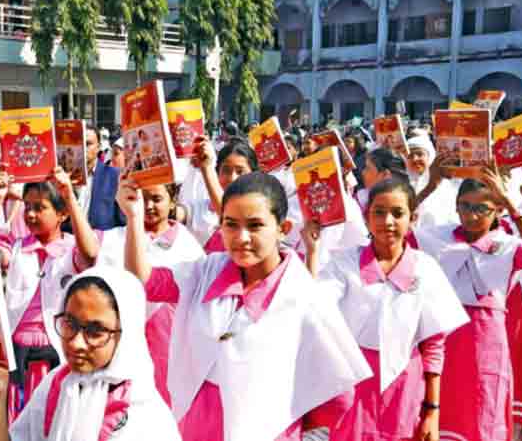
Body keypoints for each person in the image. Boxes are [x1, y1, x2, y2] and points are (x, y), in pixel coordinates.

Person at [121, 171, 372, 440]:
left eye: (254, 226)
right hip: (198, 427)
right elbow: (144, 280)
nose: (241, 237)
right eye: (231, 224)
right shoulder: (205, 272)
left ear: (283, 228)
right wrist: (134, 217)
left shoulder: (304, 296)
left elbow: (337, 393)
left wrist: (285, 424)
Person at [305, 177, 469, 440]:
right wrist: (313, 251)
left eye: (397, 213)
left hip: (405, 385)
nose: (388, 221)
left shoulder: (425, 269)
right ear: (366, 216)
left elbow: (434, 346)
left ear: (412, 218)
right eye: (378, 212)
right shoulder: (345, 263)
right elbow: (314, 305)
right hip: (354, 382)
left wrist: (432, 410)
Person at [0, 266, 182, 441]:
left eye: (95, 331)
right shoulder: (57, 384)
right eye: (69, 324)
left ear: (126, 333)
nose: (76, 343)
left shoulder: (144, 413)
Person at [415, 165, 522, 441]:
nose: (471, 215)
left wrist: (509, 201)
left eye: (482, 208)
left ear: (497, 211)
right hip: (444, 333)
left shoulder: (506, 245)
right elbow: (401, 231)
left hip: (485, 340)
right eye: (464, 206)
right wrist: (430, 187)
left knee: (483, 406)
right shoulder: (438, 237)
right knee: (440, 403)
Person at [0, 166, 99, 421]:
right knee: (19, 419)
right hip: (18, 349)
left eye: (39, 208)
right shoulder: (17, 247)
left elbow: (91, 253)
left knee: (55, 418)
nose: (30, 214)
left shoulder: (71, 249)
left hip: (57, 350)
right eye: (27, 206)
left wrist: (69, 197)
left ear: (62, 213)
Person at [74, 179, 204, 404]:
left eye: (157, 199)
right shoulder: (114, 238)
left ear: (172, 200)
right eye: (143, 199)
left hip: (168, 346)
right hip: (123, 344)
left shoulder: (187, 245)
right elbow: (88, 253)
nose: (149, 206)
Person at [178, 139, 257, 251]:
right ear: (217, 173)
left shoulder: (259, 209)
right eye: (226, 170)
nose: (232, 178)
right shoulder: (201, 207)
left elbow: (227, 212)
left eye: (240, 171)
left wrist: (206, 167)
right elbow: (176, 213)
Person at [75, 127, 125, 230]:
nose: (83, 148)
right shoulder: (64, 178)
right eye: (78, 143)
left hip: (102, 241)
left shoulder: (113, 177)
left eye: (88, 144)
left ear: (98, 147)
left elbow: (122, 222)